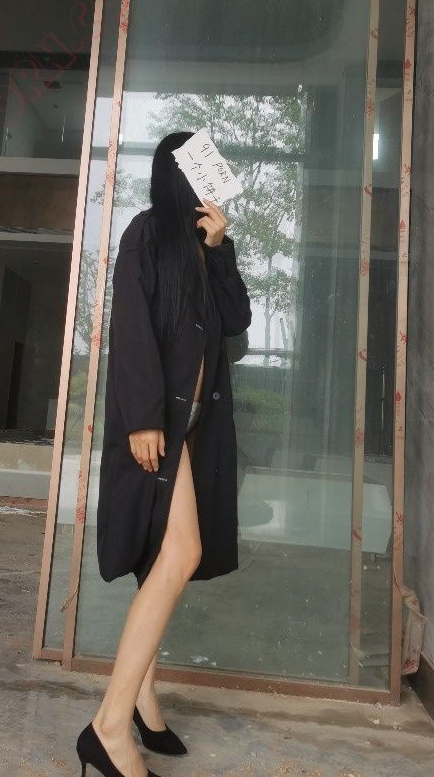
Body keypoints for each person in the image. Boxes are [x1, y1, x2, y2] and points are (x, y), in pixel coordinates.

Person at [76, 131, 252, 777]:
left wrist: (220, 249)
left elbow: (236, 323)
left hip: (197, 431)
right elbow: (130, 329)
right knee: (180, 554)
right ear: (181, 175)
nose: (216, 180)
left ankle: (143, 703)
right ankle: (108, 726)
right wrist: (144, 418)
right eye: (206, 170)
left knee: (162, 562)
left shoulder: (206, 246)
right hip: (158, 426)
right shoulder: (146, 233)